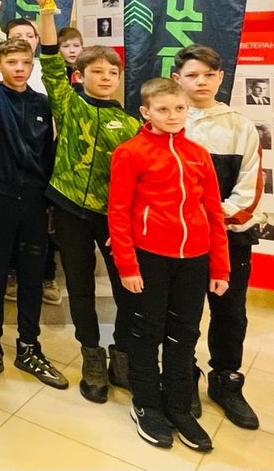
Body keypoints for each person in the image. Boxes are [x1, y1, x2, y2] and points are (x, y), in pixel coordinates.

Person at [108, 78, 229, 452]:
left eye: (179, 108)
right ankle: (146, 404)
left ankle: (178, 407)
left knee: (184, 333)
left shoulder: (198, 154)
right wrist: (127, 265)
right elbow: (119, 212)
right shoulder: (130, 153)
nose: (173, 115)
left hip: (194, 259)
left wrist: (220, 268)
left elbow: (213, 211)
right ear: (145, 112)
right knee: (147, 332)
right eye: (163, 109)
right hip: (150, 258)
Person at [35, 0, 140, 404]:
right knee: (79, 285)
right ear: (80, 75)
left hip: (114, 218)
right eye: (97, 71)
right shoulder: (68, 101)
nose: (106, 78)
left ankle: (123, 354)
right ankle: (91, 355)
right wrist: (47, 8)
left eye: (112, 73)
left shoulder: (132, 125)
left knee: (126, 288)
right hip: (69, 208)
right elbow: (49, 58)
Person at [0, 24, 65, 390]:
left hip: (34, 201)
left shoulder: (42, 103)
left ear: (32, 65)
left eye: (24, 62)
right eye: (11, 62)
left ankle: (29, 347)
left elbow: (48, 154)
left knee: (32, 277)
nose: (19, 68)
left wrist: (49, 203)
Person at [172, 45, 265, 430]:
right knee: (184, 312)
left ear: (221, 77)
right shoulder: (171, 123)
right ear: (177, 79)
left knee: (230, 312)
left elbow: (250, 187)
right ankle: (184, 375)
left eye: (209, 75)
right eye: (193, 75)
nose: (202, 82)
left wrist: (213, 219)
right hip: (182, 240)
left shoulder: (240, 126)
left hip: (230, 237)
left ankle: (226, 380)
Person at [0, 18, 46, 96]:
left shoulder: (44, 68)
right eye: (17, 36)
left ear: (37, 39)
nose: (25, 39)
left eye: (30, 36)